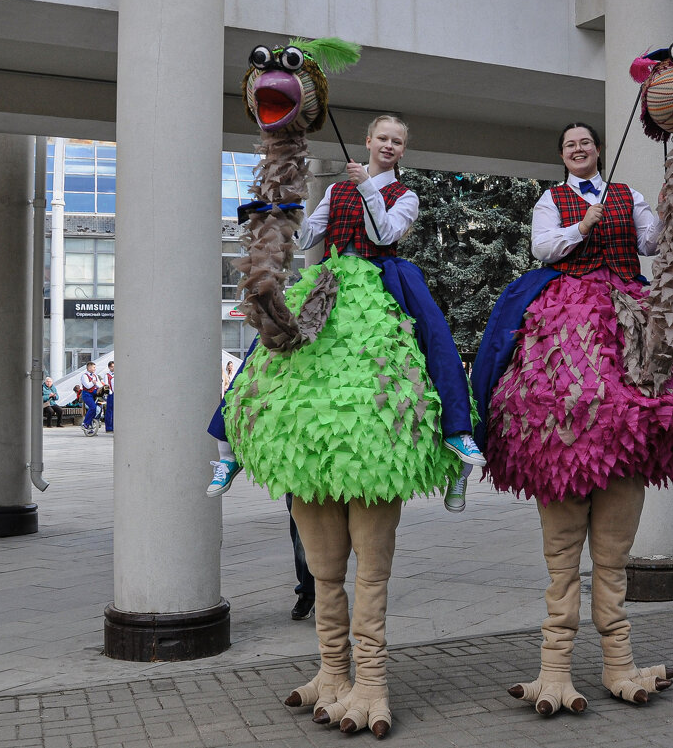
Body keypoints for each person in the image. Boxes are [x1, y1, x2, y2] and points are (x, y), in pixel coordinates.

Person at [472, 122, 673, 713]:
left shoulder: (626, 195)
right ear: (561, 155)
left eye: (586, 142)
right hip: (567, 296)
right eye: (569, 145)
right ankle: (553, 668)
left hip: (624, 300)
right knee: (499, 352)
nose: (579, 149)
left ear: (595, 149)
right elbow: (544, 249)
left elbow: (655, 243)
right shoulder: (551, 200)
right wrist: (580, 227)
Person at [207, 114, 485, 507]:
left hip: (386, 276)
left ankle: (458, 444)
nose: (389, 146)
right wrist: (281, 216)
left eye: (397, 142)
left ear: (403, 150)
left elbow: (383, 234)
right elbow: (308, 237)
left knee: (436, 345)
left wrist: (368, 187)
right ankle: (226, 451)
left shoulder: (406, 196)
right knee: (267, 349)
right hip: (331, 280)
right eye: (383, 138)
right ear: (368, 141)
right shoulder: (337, 190)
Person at [79, 361, 100, 433]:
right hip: (87, 394)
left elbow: (99, 385)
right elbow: (87, 386)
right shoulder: (84, 376)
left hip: (94, 394)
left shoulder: (95, 376)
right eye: (93, 367)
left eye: (95, 367)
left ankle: (90, 426)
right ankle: (85, 423)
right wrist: (93, 383)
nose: (95, 369)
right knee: (93, 407)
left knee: (97, 409)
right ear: (89, 367)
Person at [104, 360, 115, 433]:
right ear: (109, 367)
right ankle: (109, 427)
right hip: (111, 394)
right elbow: (106, 385)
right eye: (111, 367)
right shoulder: (107, 375)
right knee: (109, 411)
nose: (113, 368)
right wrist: (110, 392)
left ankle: (115, 426)